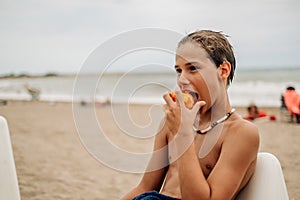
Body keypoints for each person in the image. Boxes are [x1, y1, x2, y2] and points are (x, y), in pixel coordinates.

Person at [121, 30, 259, 200]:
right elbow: (144, 187)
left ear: (223, 71)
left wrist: (183, 134)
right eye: (179, 71)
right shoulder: (170, 123)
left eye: (192, 68)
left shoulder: (241, 133)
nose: (182, 80)